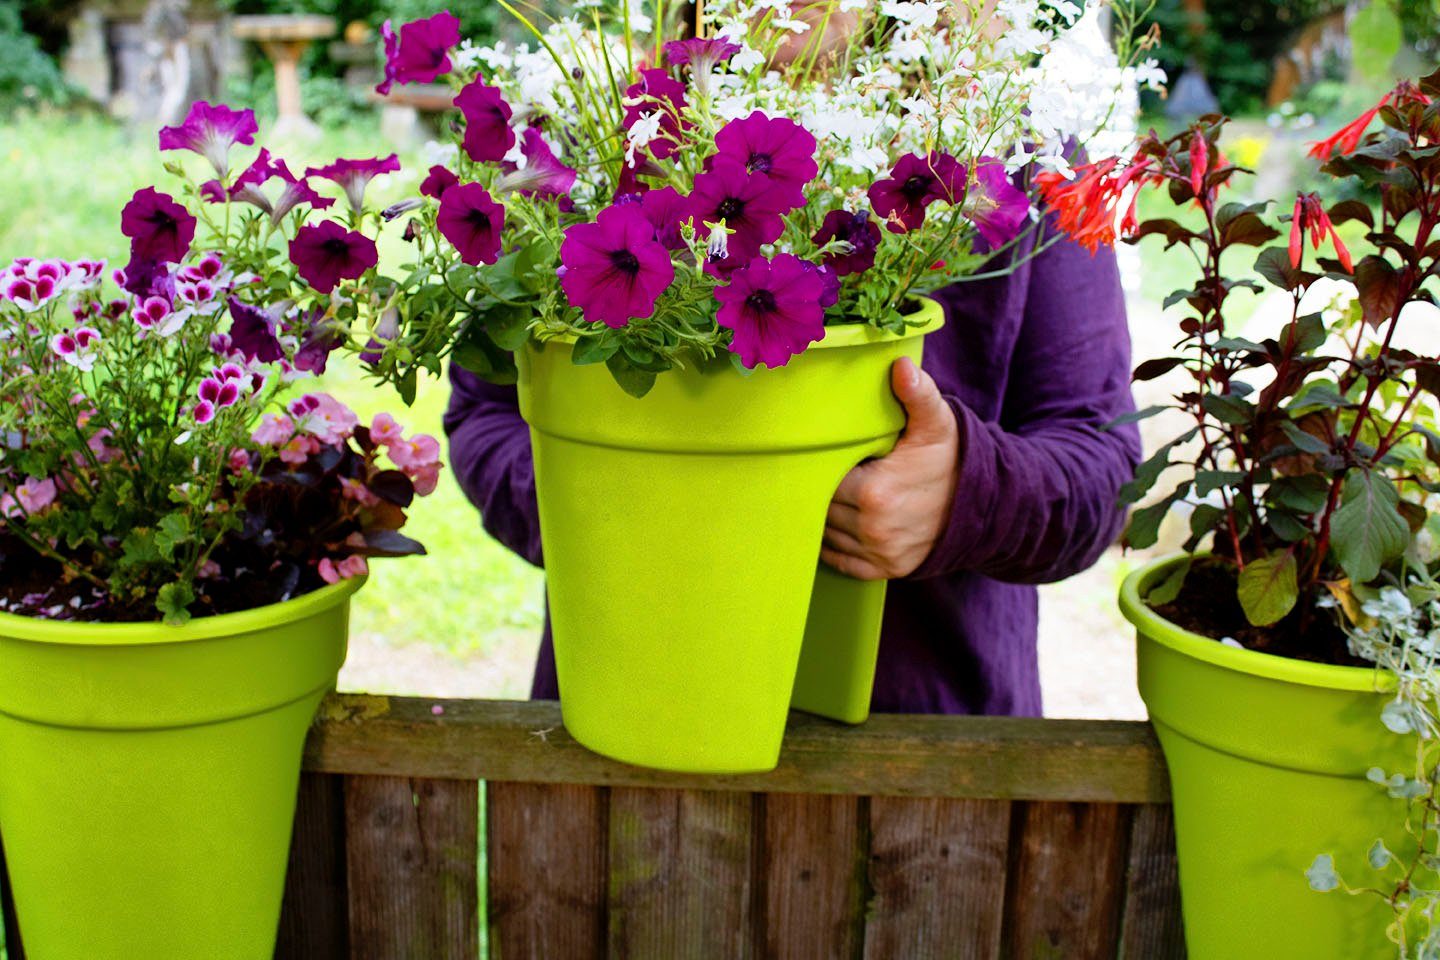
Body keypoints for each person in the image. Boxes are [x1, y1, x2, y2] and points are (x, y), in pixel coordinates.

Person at [444, 214, 1140, 716]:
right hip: (636, 710)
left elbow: (1103, 469)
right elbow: (488, 415)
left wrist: (967, 493)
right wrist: (620, 506)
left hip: (923, 753)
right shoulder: (608, 116)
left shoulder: (1032, 163)